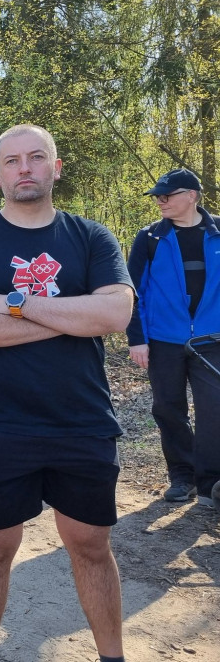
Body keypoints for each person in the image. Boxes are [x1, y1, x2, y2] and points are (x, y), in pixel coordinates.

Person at [0, 124, 134, 662]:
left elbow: (116, 313)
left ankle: (112, 656)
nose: (24, 168)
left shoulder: (91, 237)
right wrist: (74, 316)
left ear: (55, 167)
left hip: (82, 420)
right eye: (12, 161)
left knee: (91, 546)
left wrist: (15, 303)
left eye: (36, 158)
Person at [126, 167, 220, 509]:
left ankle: (211, 484)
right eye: (158, 197)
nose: (160, 202)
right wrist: (137, 338)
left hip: (213, 340)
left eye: (167, 196)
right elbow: (131, 293)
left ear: (191, 196)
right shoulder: (149, 238)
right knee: (168, 408)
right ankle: (183, 476)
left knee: (215, 410)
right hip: (163, 340)